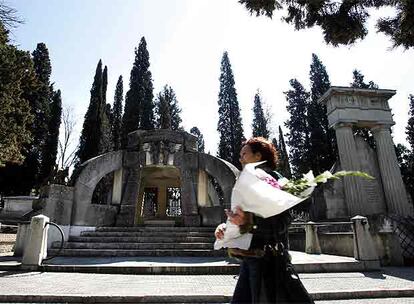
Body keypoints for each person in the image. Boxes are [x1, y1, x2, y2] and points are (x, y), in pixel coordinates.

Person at [215, 137, 314, 304]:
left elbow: (282, 223)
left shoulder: (275, 181)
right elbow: (242, 221)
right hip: (250, 260)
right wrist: (226, 229)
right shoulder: (246, 183)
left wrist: (247, 222)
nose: (240, 159)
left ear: (258, 156)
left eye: (244, 154)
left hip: (270, 262)